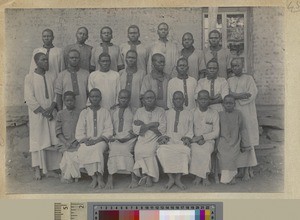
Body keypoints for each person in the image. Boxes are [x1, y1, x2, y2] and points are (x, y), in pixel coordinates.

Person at [24, 52, 61, 180]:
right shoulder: (29, 77)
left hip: (51, 112)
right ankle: (38, 169)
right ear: (36, 62)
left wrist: (51, 108)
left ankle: (50, 169)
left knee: (51, 139)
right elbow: (29, 98)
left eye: (47, 60)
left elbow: (57, 93)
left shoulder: (52, 75)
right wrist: (42, 111)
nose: (46, 62)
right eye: (43, 60)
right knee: (38, 140)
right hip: (38, 115)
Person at [228, 58, 258, 181]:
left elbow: (251, 94)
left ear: (242, 66)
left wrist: (235, 96)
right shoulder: (229, 80)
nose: (236, 68)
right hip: (235, 112)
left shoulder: (249, 79)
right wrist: (239, 95)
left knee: (248, 139)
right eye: (233, 66)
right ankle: (240, 169)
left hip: (247, 112)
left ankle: (248, 169)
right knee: (237, 138)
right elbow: (228, 95)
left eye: (238, 65)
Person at [75, 88, 113, 188]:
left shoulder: (105, 112)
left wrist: (97, 140)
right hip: (87, 140)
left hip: (101, 141)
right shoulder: (84, 112)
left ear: (100, 98)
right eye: (92, 96)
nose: (94, 98)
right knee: (83, 150)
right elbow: (80, 129)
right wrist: (86, 140)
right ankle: (93, 177)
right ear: (89, 98)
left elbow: (109, 130)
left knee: (97, 150)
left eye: (97, 96)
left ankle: (100, 177)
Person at [157, 91, 193, 190]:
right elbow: (162, 128)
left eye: (180, 99)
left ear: (184, 100)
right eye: (176, 99)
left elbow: (190, 130)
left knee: (185, 151)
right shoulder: (167, 112)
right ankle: (171, 178)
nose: (178, 101)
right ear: (172, 100)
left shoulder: (188, 113)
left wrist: (187, 138)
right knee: (162, 150)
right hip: (169, 140)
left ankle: (178, 178)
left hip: (182, 141)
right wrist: (163, 136)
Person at [105, 90, 139, 189]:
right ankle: (110, 177)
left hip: (129, 137)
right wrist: (113, 135)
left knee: (125, 149)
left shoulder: (134, 110)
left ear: (129, 99)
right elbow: (108, 125)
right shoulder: (112, 110)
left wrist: (129, 137)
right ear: (118, 98)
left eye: (126, 98)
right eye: (121, 98)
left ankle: (133, 177)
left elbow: (136, 128)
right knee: (114, 149)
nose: (123, 100)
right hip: (115, 137)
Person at [132, 90, 166, 187]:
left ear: (155, 99)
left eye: (152, 98)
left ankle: (149, 176)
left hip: (155, 138)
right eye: (147, 98)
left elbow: (162, 129)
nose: (150, 100)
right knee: (138, 150)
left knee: (150, 151)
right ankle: (145, 175)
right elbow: (135, 129)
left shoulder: (160, 111)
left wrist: (144, 125)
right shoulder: (139, 111)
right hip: (142, 138)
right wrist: (152, 124)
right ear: (143, 100)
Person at [190, 90, 219, 186]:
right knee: (195, 150)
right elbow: (189, 129)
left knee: (206, 150)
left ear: (209, 100)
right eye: (201, 99)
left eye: (205, 99)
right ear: (197, 100)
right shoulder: (192, 112)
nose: (203, 101)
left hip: (209, 140)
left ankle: (202, 176)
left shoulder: (214, 113)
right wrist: (196, 139)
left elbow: (216, 132)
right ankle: (201, 176)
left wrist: (203, 137)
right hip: (194, 140)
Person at [217, 94, 247, 184]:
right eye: (226, 103)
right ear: (223, 104)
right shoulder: (220, 114)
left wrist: (244, 143)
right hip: (223, 141)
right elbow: (217, 130)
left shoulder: (238, 114)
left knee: (232, 155)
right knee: (223, 155)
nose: (228, 105)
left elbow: (243, 129)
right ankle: (227, 178)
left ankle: (232, 177)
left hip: (235, 141)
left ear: (234, 104)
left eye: (231, 103)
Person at [56, 91, 81, 183]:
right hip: (64, 142)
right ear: (64, 101)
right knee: (67, 153)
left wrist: (76, 141)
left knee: (75, 153)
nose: (69, 102)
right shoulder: (60, 114)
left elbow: (82, 129)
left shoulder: (80, 112)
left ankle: (70, 175)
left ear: (74, 101)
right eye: (67, 100)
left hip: (78, 141)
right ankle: (71, 175)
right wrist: (66, 142)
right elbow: (58, 132)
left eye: (71, 100)